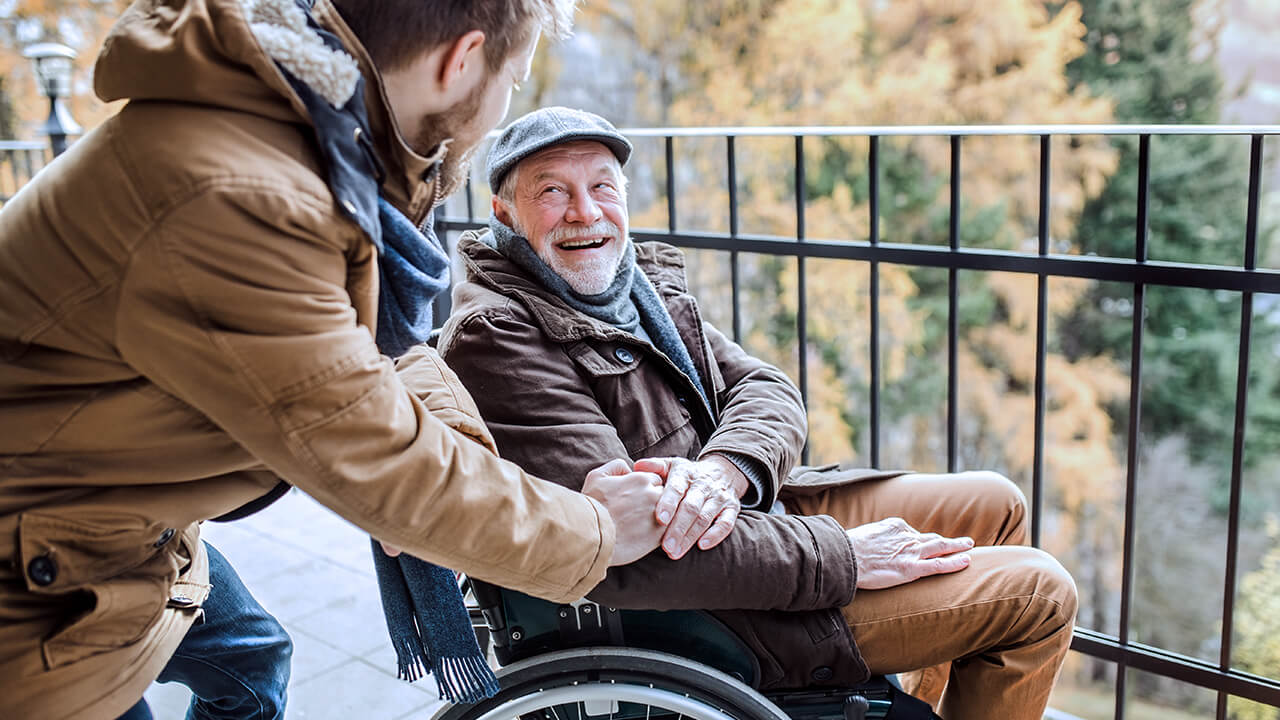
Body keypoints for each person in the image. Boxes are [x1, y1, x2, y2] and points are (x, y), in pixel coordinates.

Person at [0, 3, 669, 719]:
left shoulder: (309, 141)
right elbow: (381, 465)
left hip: (112, 509)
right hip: (39, 567)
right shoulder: (241, 199)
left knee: (253, 663)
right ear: (462, 62)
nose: (505, 107)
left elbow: (377, 347)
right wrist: (596, 532)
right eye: (514, 79)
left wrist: (472, 454)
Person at [436, 106, 1080, 720]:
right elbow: (622, 558)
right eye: (553, 191)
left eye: (603, 187)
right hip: (715, 610)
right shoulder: (499, 335)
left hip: (748, 519)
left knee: (995, 503)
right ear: (504, 211)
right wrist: (844, 557)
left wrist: (722, 472)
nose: (585, 212)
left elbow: (767, 389)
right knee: (1040, 593)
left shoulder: (629, 289)